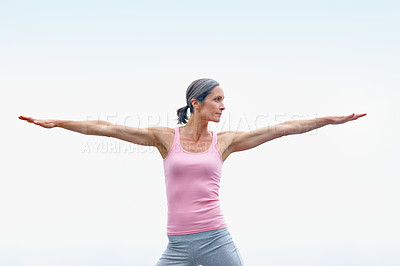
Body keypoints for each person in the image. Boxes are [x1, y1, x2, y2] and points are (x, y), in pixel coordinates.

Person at [19, 78, 367, 266]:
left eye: (224, 99)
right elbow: (105, 128)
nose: (223, 105)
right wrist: (59, 123)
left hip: (217, 240)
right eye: (217, 99)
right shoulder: (163, 138)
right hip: (177, 246)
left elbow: (283, 128)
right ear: (195, 103)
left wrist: (330, 120)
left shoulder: (226, 142)